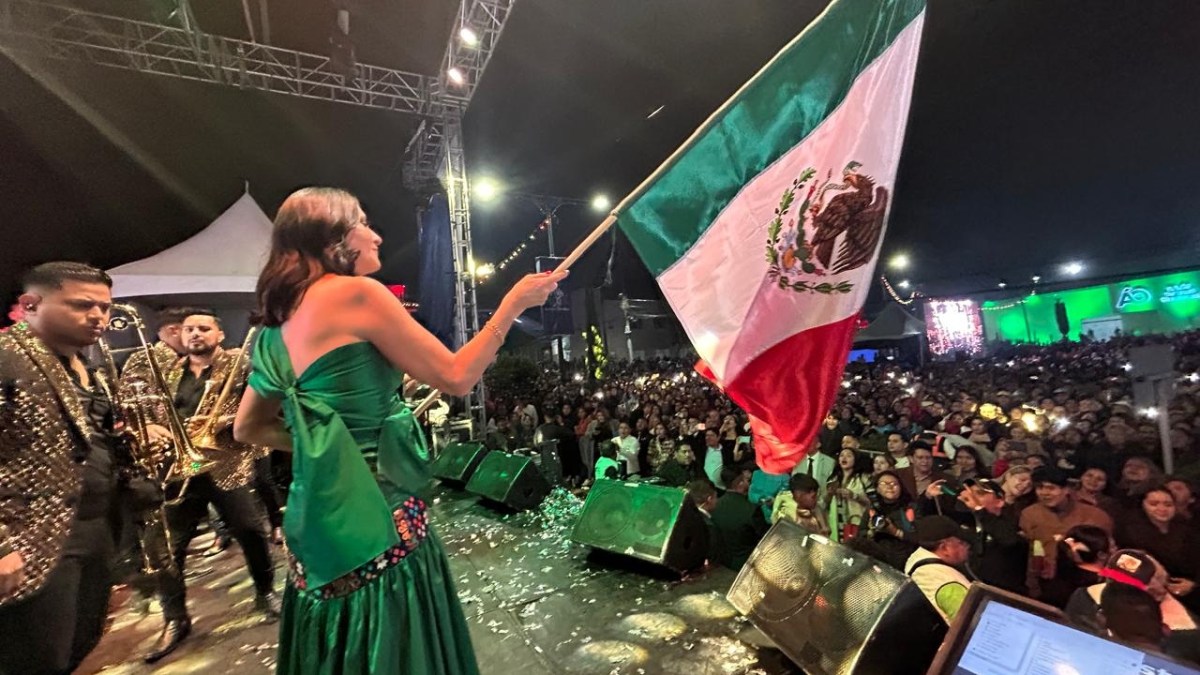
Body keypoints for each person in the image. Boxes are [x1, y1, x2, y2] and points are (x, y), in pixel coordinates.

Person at [232, 187, 563, 674]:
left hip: (314, 520)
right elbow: (456, 376)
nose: (376, 235)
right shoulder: (358, 294)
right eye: (363, 222)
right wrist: (512, 304)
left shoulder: (273, 330)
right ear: (333, 239)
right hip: (379, 513)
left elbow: (248, 427)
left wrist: (327, 445)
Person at [0, 262, 135, 674]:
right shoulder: (7, 359)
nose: (98, 316)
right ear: (30, 304)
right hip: (32, 534)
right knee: (37, 659)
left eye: (104, 307)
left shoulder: (86, 365)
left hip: (95, 524)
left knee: (86, 635)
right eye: (82, 305)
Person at [133, 310, 280, 662]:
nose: (195, 334)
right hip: (178, 470)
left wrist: (223, 423)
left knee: (249, 530)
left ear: (219, 332)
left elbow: (264, 404)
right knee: (171, 548)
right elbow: (150, 412)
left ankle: (265, 592)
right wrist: (152, 429)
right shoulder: (166, 371)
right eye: (188, 329)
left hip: (226, 463)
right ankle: (175, 619)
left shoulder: (239, 364)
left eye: (203, 328)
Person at [1019, 467, 1114, 600]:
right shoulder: (1030, 514)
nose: (1045, 493)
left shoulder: (1095, 516)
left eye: (1051, 488)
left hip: (1085, 584)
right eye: (1040, 488)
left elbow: (1109, 553)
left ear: (1066, 489)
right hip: (1048, 583)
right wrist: (1033, 583)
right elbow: (1033, 549)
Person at [1114, 485, 1200, 613]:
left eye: (1168, 504)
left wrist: (1194, 584)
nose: (1162, 509)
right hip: (1149, 597)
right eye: (1154, 504)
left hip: (1192, 592)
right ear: (1143, 505)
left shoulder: (1187, 529)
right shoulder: (1128, 532)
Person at [905, 516, 973, 624]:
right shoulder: (949, 583)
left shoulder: (915, 563)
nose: (967, 546)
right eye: (961, 543)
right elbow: (972, 624)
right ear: (944, 548)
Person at [1038, 524, 1112, 609]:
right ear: (1102, 555)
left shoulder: (1058, 577)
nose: (1116, 550)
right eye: (1113, 547)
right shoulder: (1101, 591)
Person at [709, 468, 769, 569]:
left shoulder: (715, 507)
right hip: (750, 564)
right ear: (740, 483)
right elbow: (765, 538)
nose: (748, 483)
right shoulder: (752, 510)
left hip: (724, 564)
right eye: (746, 480)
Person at [825, 448, 871, 542]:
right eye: (842, 455)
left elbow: (872, 503)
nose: (844, 458)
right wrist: (829, 494)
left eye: (849, 456)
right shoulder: (833, 478)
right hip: (836, 523)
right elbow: (825, 503)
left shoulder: (864, 478)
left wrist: (854, 496)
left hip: (857, 522)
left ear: (856, 459)